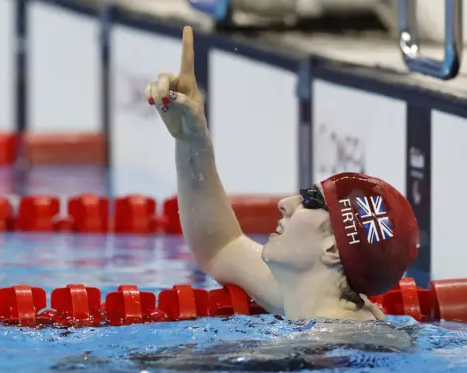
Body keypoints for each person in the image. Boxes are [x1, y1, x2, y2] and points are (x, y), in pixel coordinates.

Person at [144, 26, 420, 322]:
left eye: (311, 200)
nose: (286, 203)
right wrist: (191, 138)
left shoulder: (327, 347)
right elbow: (221, 246)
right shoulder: (308, 295)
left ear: (331, 249)